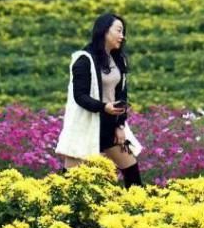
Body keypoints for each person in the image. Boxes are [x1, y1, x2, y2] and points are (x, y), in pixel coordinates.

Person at [55, 12, 143, 188]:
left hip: (110, 127)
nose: (122, 36)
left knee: (132, 171)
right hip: (87, 126)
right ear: (104, 31)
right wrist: (104, 107)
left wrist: (120, 125)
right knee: (70, 183)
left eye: (123, 32)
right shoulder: (84, 60)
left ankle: (138, 209)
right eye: (118, 31)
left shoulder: (118, 60)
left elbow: (122, 95)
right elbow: (80, 96)